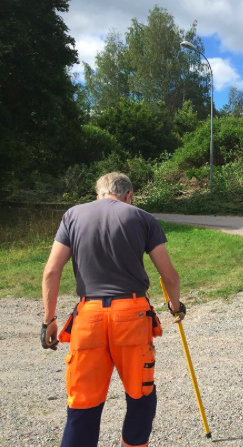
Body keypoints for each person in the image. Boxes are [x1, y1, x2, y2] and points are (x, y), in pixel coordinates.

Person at [40, 172, 186, 447]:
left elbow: (51, 271)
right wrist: (175, 305)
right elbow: (170, 275)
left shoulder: (73, 215)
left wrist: (49, 320)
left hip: (88, 317)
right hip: (131, 316)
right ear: (129, 196)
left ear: (98, 194)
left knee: (83, 403)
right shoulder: (142, 218)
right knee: (140, 395)